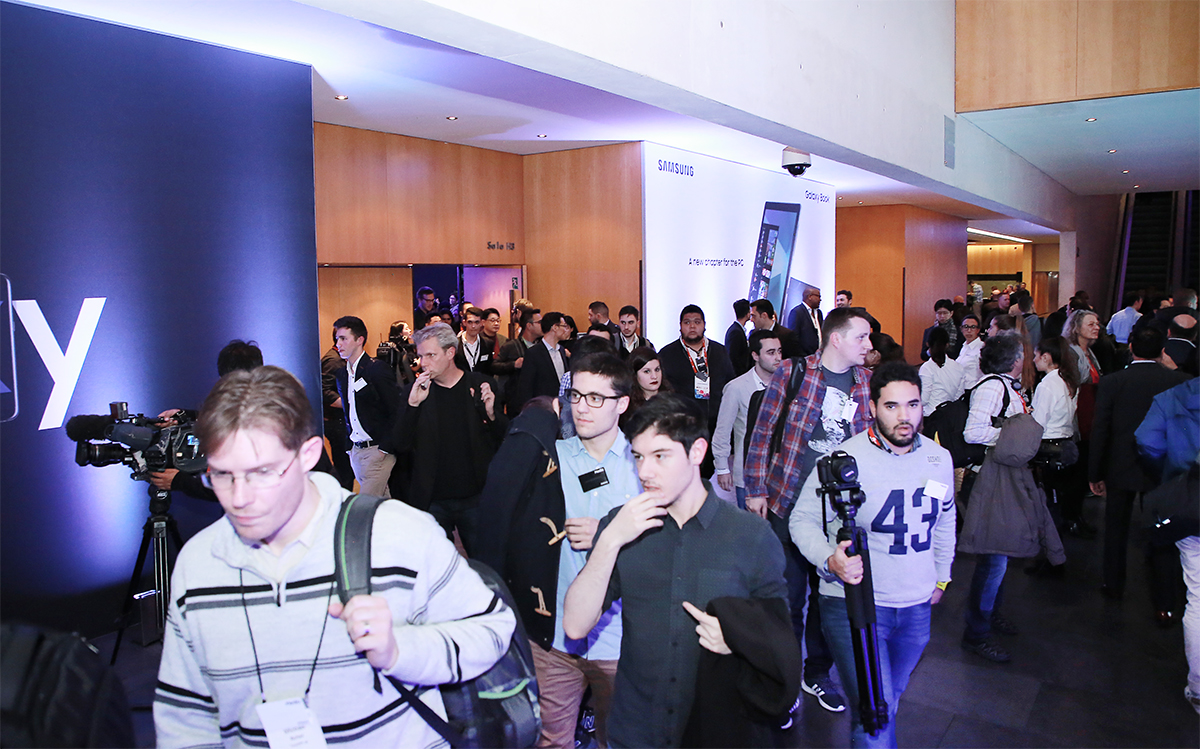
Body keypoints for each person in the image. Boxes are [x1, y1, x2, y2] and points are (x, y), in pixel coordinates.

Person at [153, 365, 514, 748]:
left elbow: (492, 629)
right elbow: (186, 717)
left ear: (308, 454)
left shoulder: (397, 533)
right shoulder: (199, 564)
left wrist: (399, 650)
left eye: (262, 473)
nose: (239, 499)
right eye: (222, 475)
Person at [562, 394, 788, 748]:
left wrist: (739, 640)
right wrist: (610, 540)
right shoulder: (623, 525)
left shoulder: (751, 536)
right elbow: (575, 625)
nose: (644, 471)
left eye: (660, 456)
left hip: (716, 731)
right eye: (638, 457)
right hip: (635, 732)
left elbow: (781, 642)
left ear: (697, 452)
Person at [791, 362, 956, 749]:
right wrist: (829, 559)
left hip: (915, 606)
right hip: (854, 605)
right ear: (872, 408)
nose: (904, 416)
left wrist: (941, 575)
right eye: (892, 406)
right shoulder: (844, 460)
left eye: (912, 405)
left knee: (887, 705)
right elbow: (801, 520)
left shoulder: (938, 458)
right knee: (874, 714)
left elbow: (945, 519)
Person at [491, 354, 640, 748]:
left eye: (596, 398)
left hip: (620, 640)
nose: (582, 407)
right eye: (576, 395)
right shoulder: (548, 458)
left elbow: (669, 549)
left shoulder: (644, 467)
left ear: (622, 403)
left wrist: (608, 534)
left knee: (619, 740)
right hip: (554, 639)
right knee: (551, 740)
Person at [744, 306, 877, 715]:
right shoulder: (794, 372)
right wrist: (755, 489)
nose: (869, 345)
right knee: (787, 599)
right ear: (836, 338)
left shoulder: (866, 382)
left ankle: (816, 673)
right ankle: (783, 679)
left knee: (829, 602)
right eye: (861, 337)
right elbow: (763, 432)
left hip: (838, 511)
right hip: (787, 499)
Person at [1089, 327, 1190, 604]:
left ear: (1130, 347)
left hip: (1120, 466)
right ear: (1163, 350)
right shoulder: (1179, 381)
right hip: (1164, 467)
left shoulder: (1112, 382)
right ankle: (1164, 600)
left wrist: (1095, 472)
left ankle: (1113, 585)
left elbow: (1101, 430)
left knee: (1115, 529)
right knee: (1162, 530)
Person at [393, 323, 507, 553]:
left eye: (431, 355)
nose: (423, 363)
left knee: (484, 561)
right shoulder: (415, 391)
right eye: (421, 356)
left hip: (476, 497)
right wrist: (413, 405)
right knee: (436, 565)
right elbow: (399, 444)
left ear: (450, 353)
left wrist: (492, 415)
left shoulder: (480, 385)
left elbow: (503, 439)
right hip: (432, 499)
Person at [959, 334, 1028, 663]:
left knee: (999, 557)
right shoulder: (992, 388)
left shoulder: (1003, 386)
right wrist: (1014, 435)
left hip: (999, 477)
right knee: (993, 560)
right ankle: (977, 632)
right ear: (1014, 360)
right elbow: (973, 432)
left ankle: (988, 616)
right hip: (988, 479)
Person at [1135, 377, 1200, 714]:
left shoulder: (1172, 398)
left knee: (1197, 596)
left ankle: (1199, 687)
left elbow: (1146, 440)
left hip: (1189, 506)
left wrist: (1174, 473)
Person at [657, 304, 735, 476]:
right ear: (680, 326)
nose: (692, 326)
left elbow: (730, 385)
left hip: (714, 427)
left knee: (707, 476)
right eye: (687, 322)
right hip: (683, 428)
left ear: (704, 325)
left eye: (697, 322)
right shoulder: (667, 354)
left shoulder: (719, 351)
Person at [713, 329, 783, 510]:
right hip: (747, 473)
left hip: (780, 473)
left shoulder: (786, 385)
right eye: (771, 352)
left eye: (779, 351)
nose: (777, 358)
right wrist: (722, 468)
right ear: (755, 355)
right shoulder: (736, 388)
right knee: (751, 524)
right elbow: (722, 430)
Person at [332, 316, 399, 498]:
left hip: (377, 450)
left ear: (359, 340)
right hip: (356, 450)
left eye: (343, 338)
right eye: (337, 339)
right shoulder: (342, 374)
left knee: (365, 504)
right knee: (382, 502)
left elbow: (396, 410)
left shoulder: (376, 369)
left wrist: (385, 448)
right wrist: (350, 448)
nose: (338, 344)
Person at [1029, 336, 1080, 537]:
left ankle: (1050, 544)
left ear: (1047, 357)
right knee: (1061, 498)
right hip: (1067, 444)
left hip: (1048, 447)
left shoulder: (1047, 385)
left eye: (1036, 355)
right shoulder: (1069, 381)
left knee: (1049, 500)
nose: (1034, 360)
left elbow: (1038, 422)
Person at [511, 311, 572, 415]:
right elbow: (526, 387)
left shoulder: (562, 350)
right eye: (564, 326)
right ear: (555, 327)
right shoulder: (533, 353)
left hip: (562, 408)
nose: (566, 330)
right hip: (542, 408)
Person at [494, 307, 542, 415]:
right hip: (516, 401)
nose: (543, 326)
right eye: (539, 322)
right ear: (529, 325)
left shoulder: (541, 346)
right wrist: (513, 364)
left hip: (538, 399)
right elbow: (495, 366)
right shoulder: (511, 346)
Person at [918, 326, 964, 416]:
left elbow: (924, 400)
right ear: (947, 345)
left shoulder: (926, 368)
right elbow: (959, 395)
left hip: (930, 415)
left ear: (927, 344)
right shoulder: (958, 367)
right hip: (950, 414)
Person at [624, 346, 673, 422]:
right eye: (647, 371)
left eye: (657, 369)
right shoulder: (626, 406)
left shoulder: (672, 401)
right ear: (634, 375)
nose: (654, 376)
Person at [455, 306, 494, 375]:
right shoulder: (455, 344)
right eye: (470, 322)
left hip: (481, 381)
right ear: (464, 323)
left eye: (477, 322)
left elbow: (489, 370)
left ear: (482, 323)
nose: (473, 326)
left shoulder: (488, 344)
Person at [790, 287, 824, 358]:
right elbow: (794, 338)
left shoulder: (819, 313)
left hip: (819, 356)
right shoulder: (797, 312)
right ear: (810, 297)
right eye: (818, 296)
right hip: (805, 357)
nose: (820, 300)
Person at [956, 313, 984, 389]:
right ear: (961, 329)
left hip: (974, 389)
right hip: (960, 389)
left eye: (973, 327)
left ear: (978, 330)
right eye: (966, 327)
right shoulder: (964, 346)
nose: (969, 330)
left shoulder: (981, 348)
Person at [725, 298, 752, 376]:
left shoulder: (736, 329)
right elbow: (734, 357)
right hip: (737, 375)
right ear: (747, 314)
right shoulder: (736, 332)